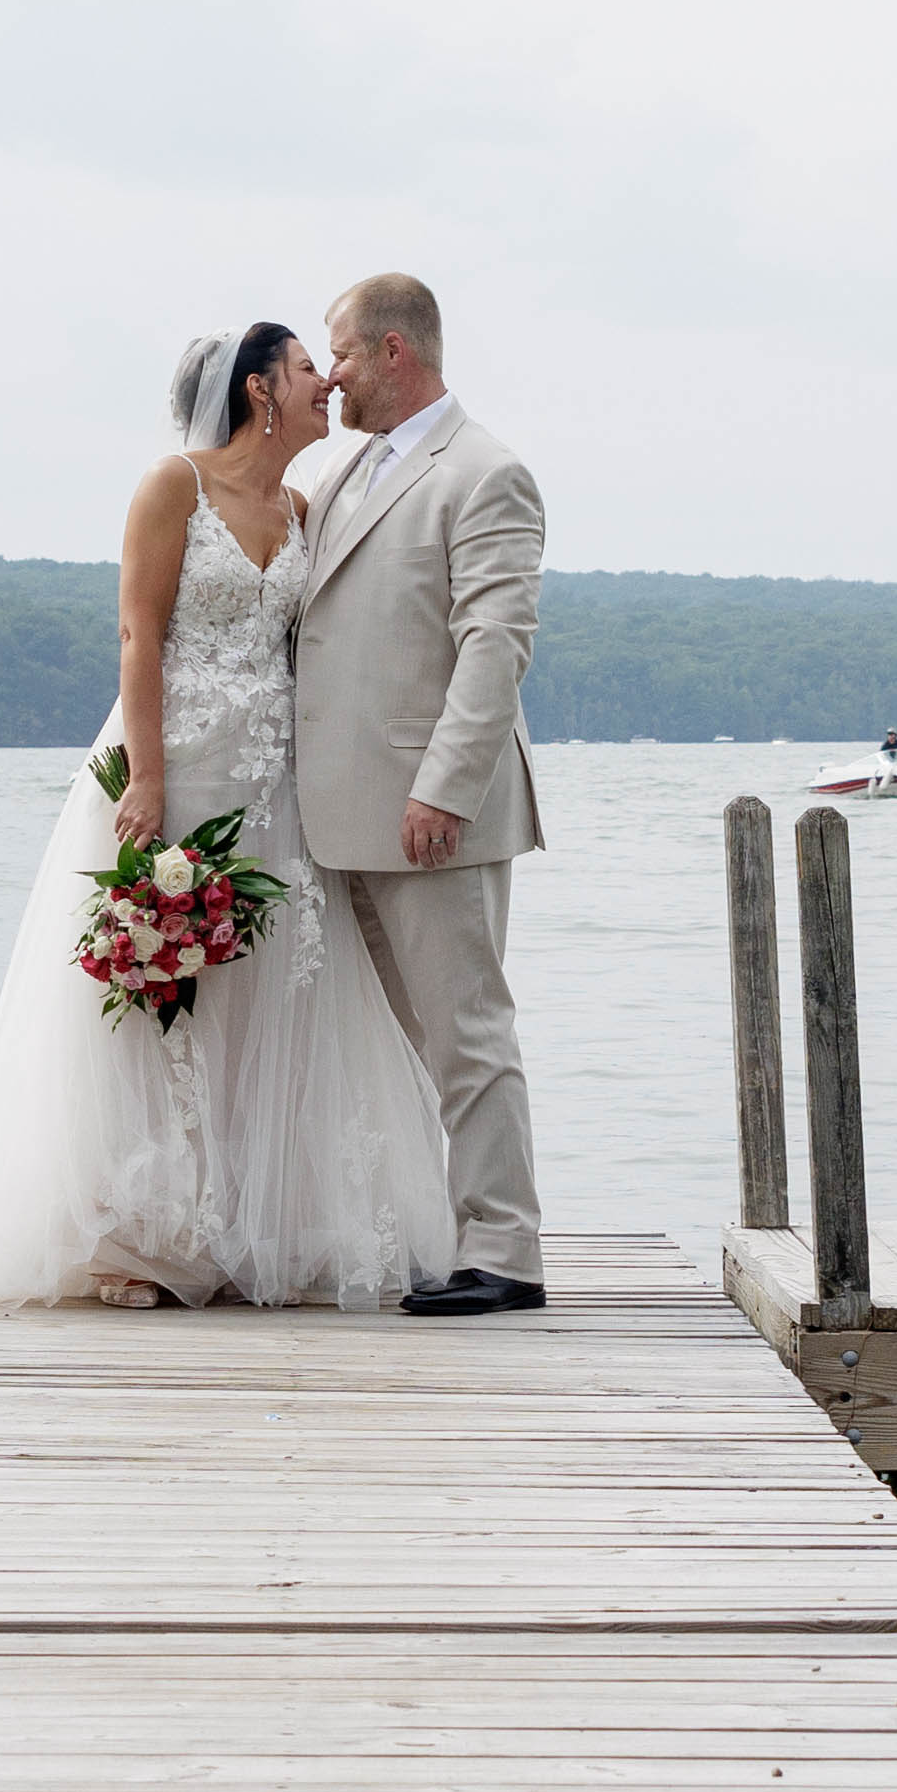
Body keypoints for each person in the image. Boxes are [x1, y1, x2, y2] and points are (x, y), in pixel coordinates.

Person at [0, 321, 461, 1312]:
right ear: (261, 390)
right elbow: (138, 635)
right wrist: (145, 779)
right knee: (157, 992)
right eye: (309, 366)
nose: (327, 381)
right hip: (172, 767)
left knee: (274, 988)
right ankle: (138, 1233)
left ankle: (256, 1222)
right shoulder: (171, 488)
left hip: (270, 784)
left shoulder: (305, 505)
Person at [284, 269, 549, 1314]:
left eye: (339, 352)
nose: (332, 371)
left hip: (433, 819)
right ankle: (424, 1231)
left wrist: (444, 787)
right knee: (392, 1048)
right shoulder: (350, 468)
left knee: (465, 1036)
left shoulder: (484, 472)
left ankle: (506, 1254)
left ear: (394, 350)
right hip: (340, 819)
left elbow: (493, 648)